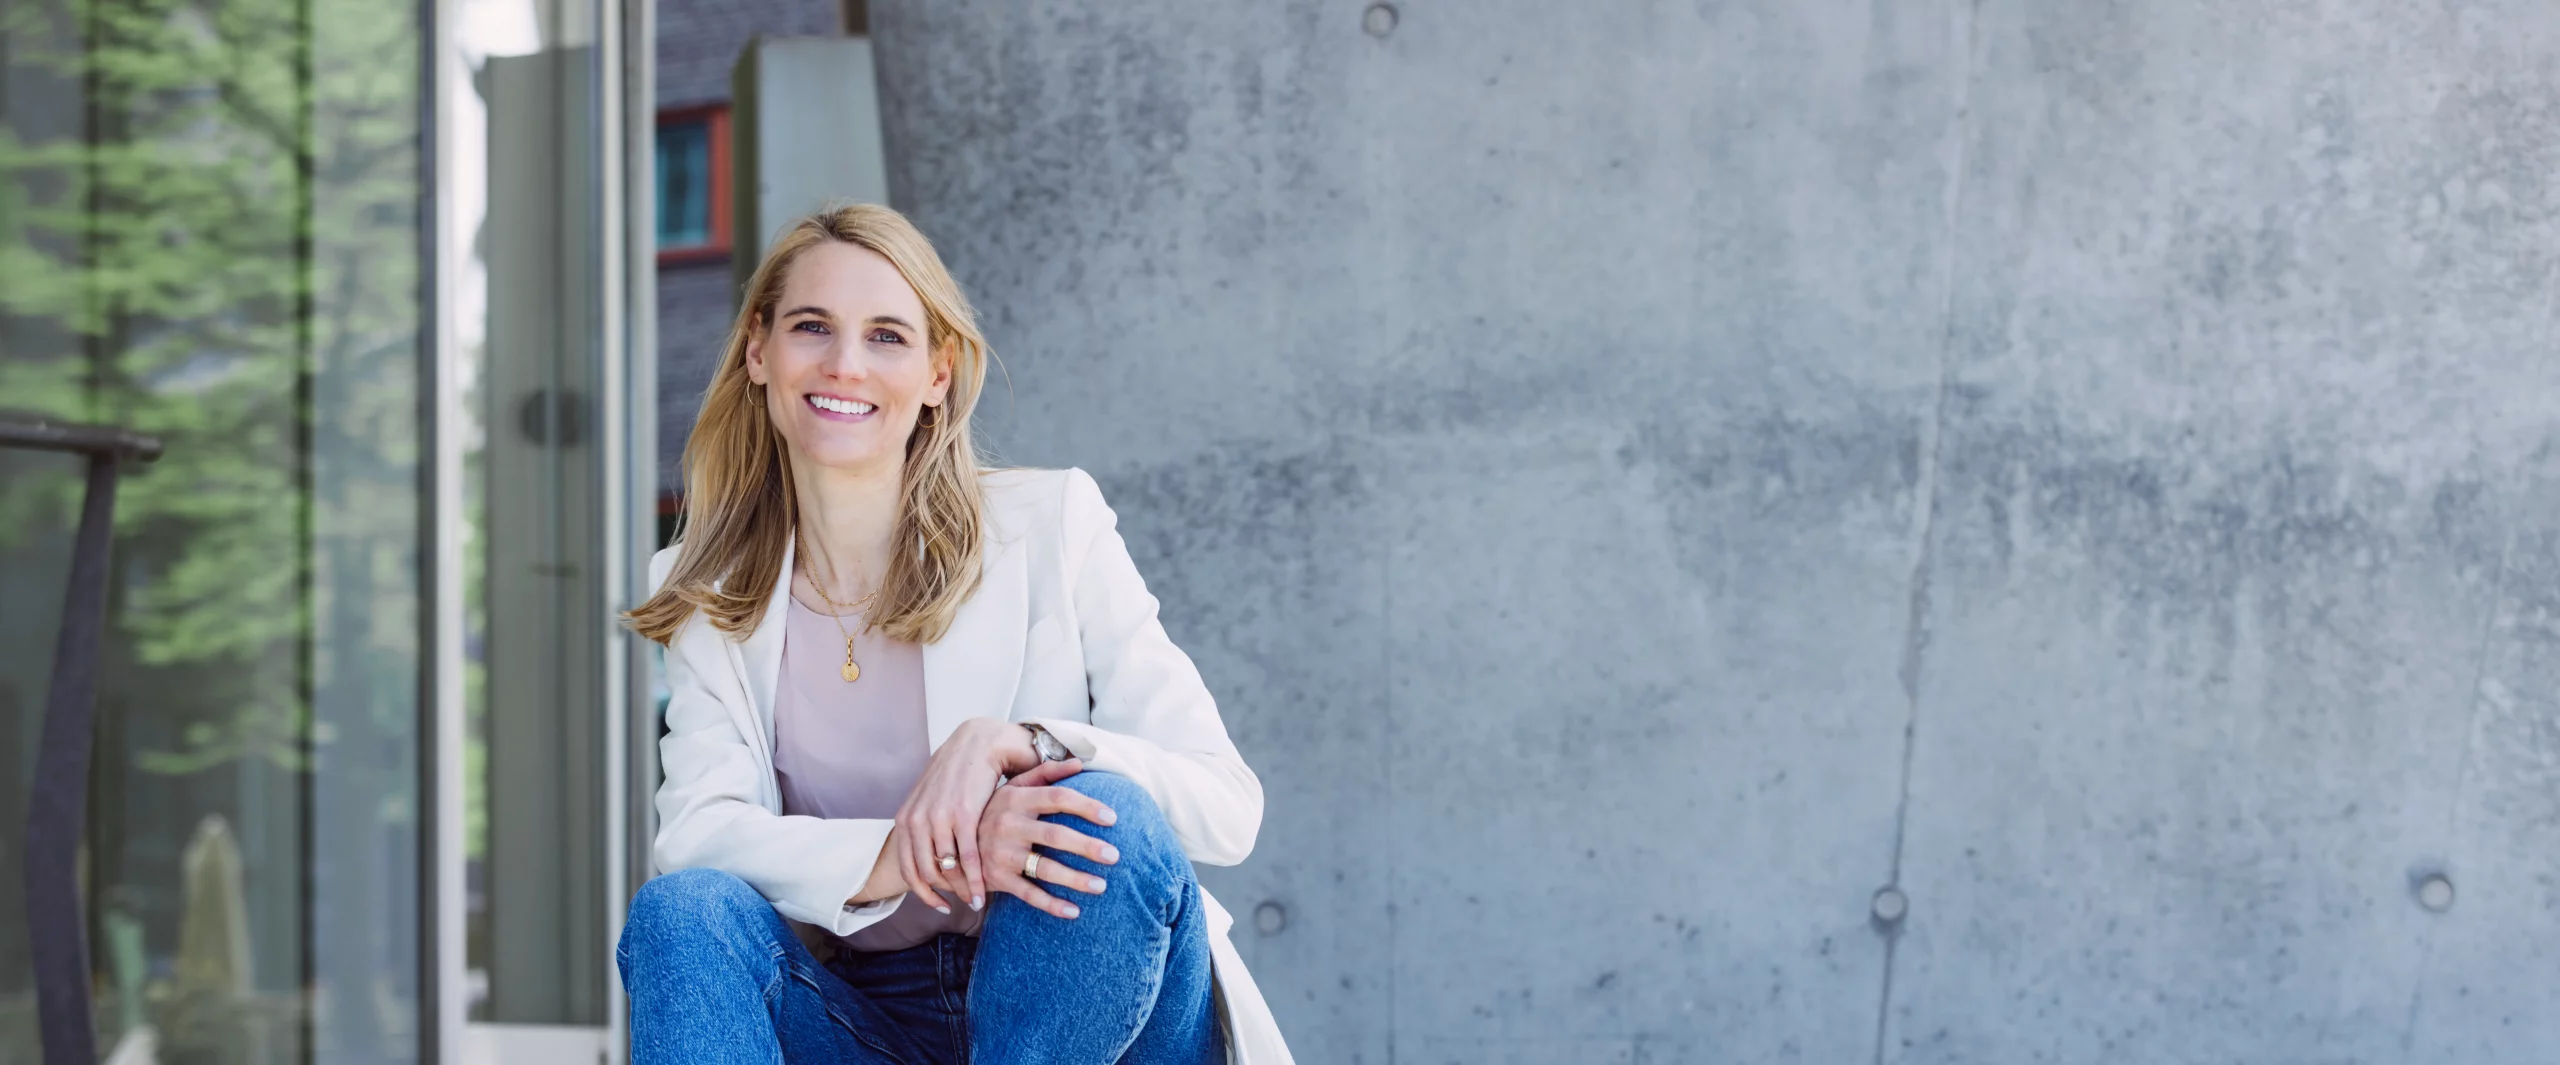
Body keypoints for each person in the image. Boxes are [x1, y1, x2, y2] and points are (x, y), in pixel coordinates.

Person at [616, 203, 1291, 1065]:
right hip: (864, 1008)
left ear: (940, 371)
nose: (844, 364)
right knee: (685, 915)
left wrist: (1020, 744)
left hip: (1092, 987)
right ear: (759, 351)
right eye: (811, 326)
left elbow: (1226, 806)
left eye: (888, 336)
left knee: (1105, 817)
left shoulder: (1052, 524)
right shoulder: (706, 592)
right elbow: (699, 834)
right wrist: (907, 851)